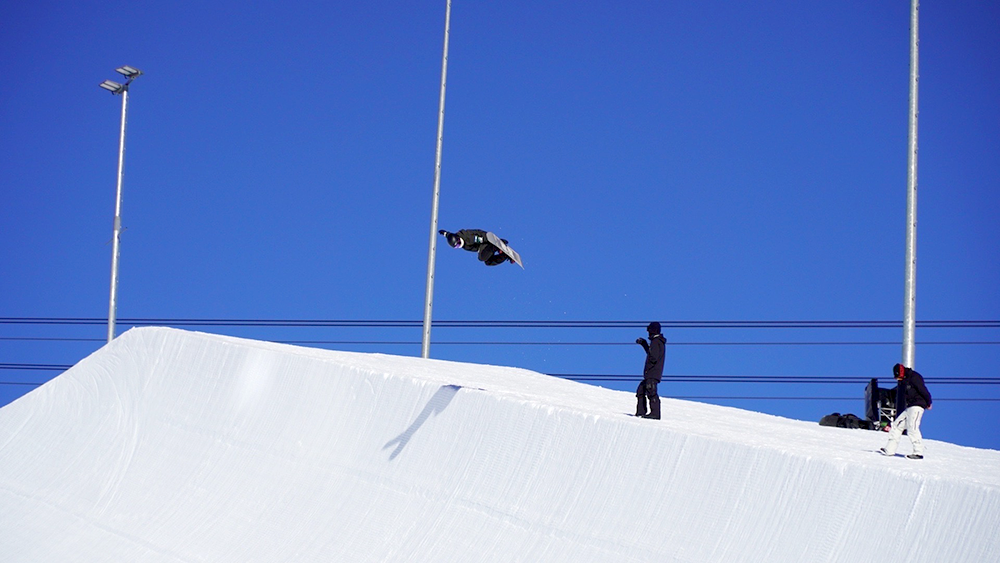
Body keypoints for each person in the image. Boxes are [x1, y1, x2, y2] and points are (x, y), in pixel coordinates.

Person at [880, 363, 932, 459]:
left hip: (917, 405)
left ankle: (918, 452)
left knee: (912, 427)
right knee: (896, 425)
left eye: (898, 376)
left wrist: (929, 402)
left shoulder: (914, 377)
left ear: (902, 372)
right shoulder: (904, 380)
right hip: (910, 406)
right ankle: (890, 450)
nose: (898, 379)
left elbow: (922, 389)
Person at [635, 322, 666, 419]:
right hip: (651, 373)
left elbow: (653, 357)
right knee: (641, 390)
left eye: (649, 330)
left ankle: (655, 414)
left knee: (651, 392)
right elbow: (652, 354)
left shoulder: (656, 341)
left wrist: (649, 367)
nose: (648, 332)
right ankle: (641, 412)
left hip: (653, 373)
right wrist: (644, 344)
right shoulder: (656, 341)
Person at [439, 229, 513, 266]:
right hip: (482, 246)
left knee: (482, 258)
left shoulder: (468, 239)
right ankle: (504, 255)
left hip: (486, 242)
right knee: (488, 262)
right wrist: (445, 233)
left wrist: (497, 243)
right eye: (457, 246)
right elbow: (450, 235)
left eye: (458, 243)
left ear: (458, 238)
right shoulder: (456, 237)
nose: (459, 245)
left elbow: (481, 237)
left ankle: (495, 246)